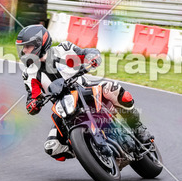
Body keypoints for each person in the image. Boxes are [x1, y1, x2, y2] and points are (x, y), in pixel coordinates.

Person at [16, 24, 154, 161]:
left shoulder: (63, 49)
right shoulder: (29, 74)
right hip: (63, 107)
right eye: (23, 47)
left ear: (39, 44)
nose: (24, 51)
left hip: (85, 89)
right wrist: (33, 104)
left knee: (112, 88)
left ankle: (137, 127)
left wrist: (92, 58)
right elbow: (32, 97)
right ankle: (88, 150)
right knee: (52, 147)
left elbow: (85, 53)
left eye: (27, 46)